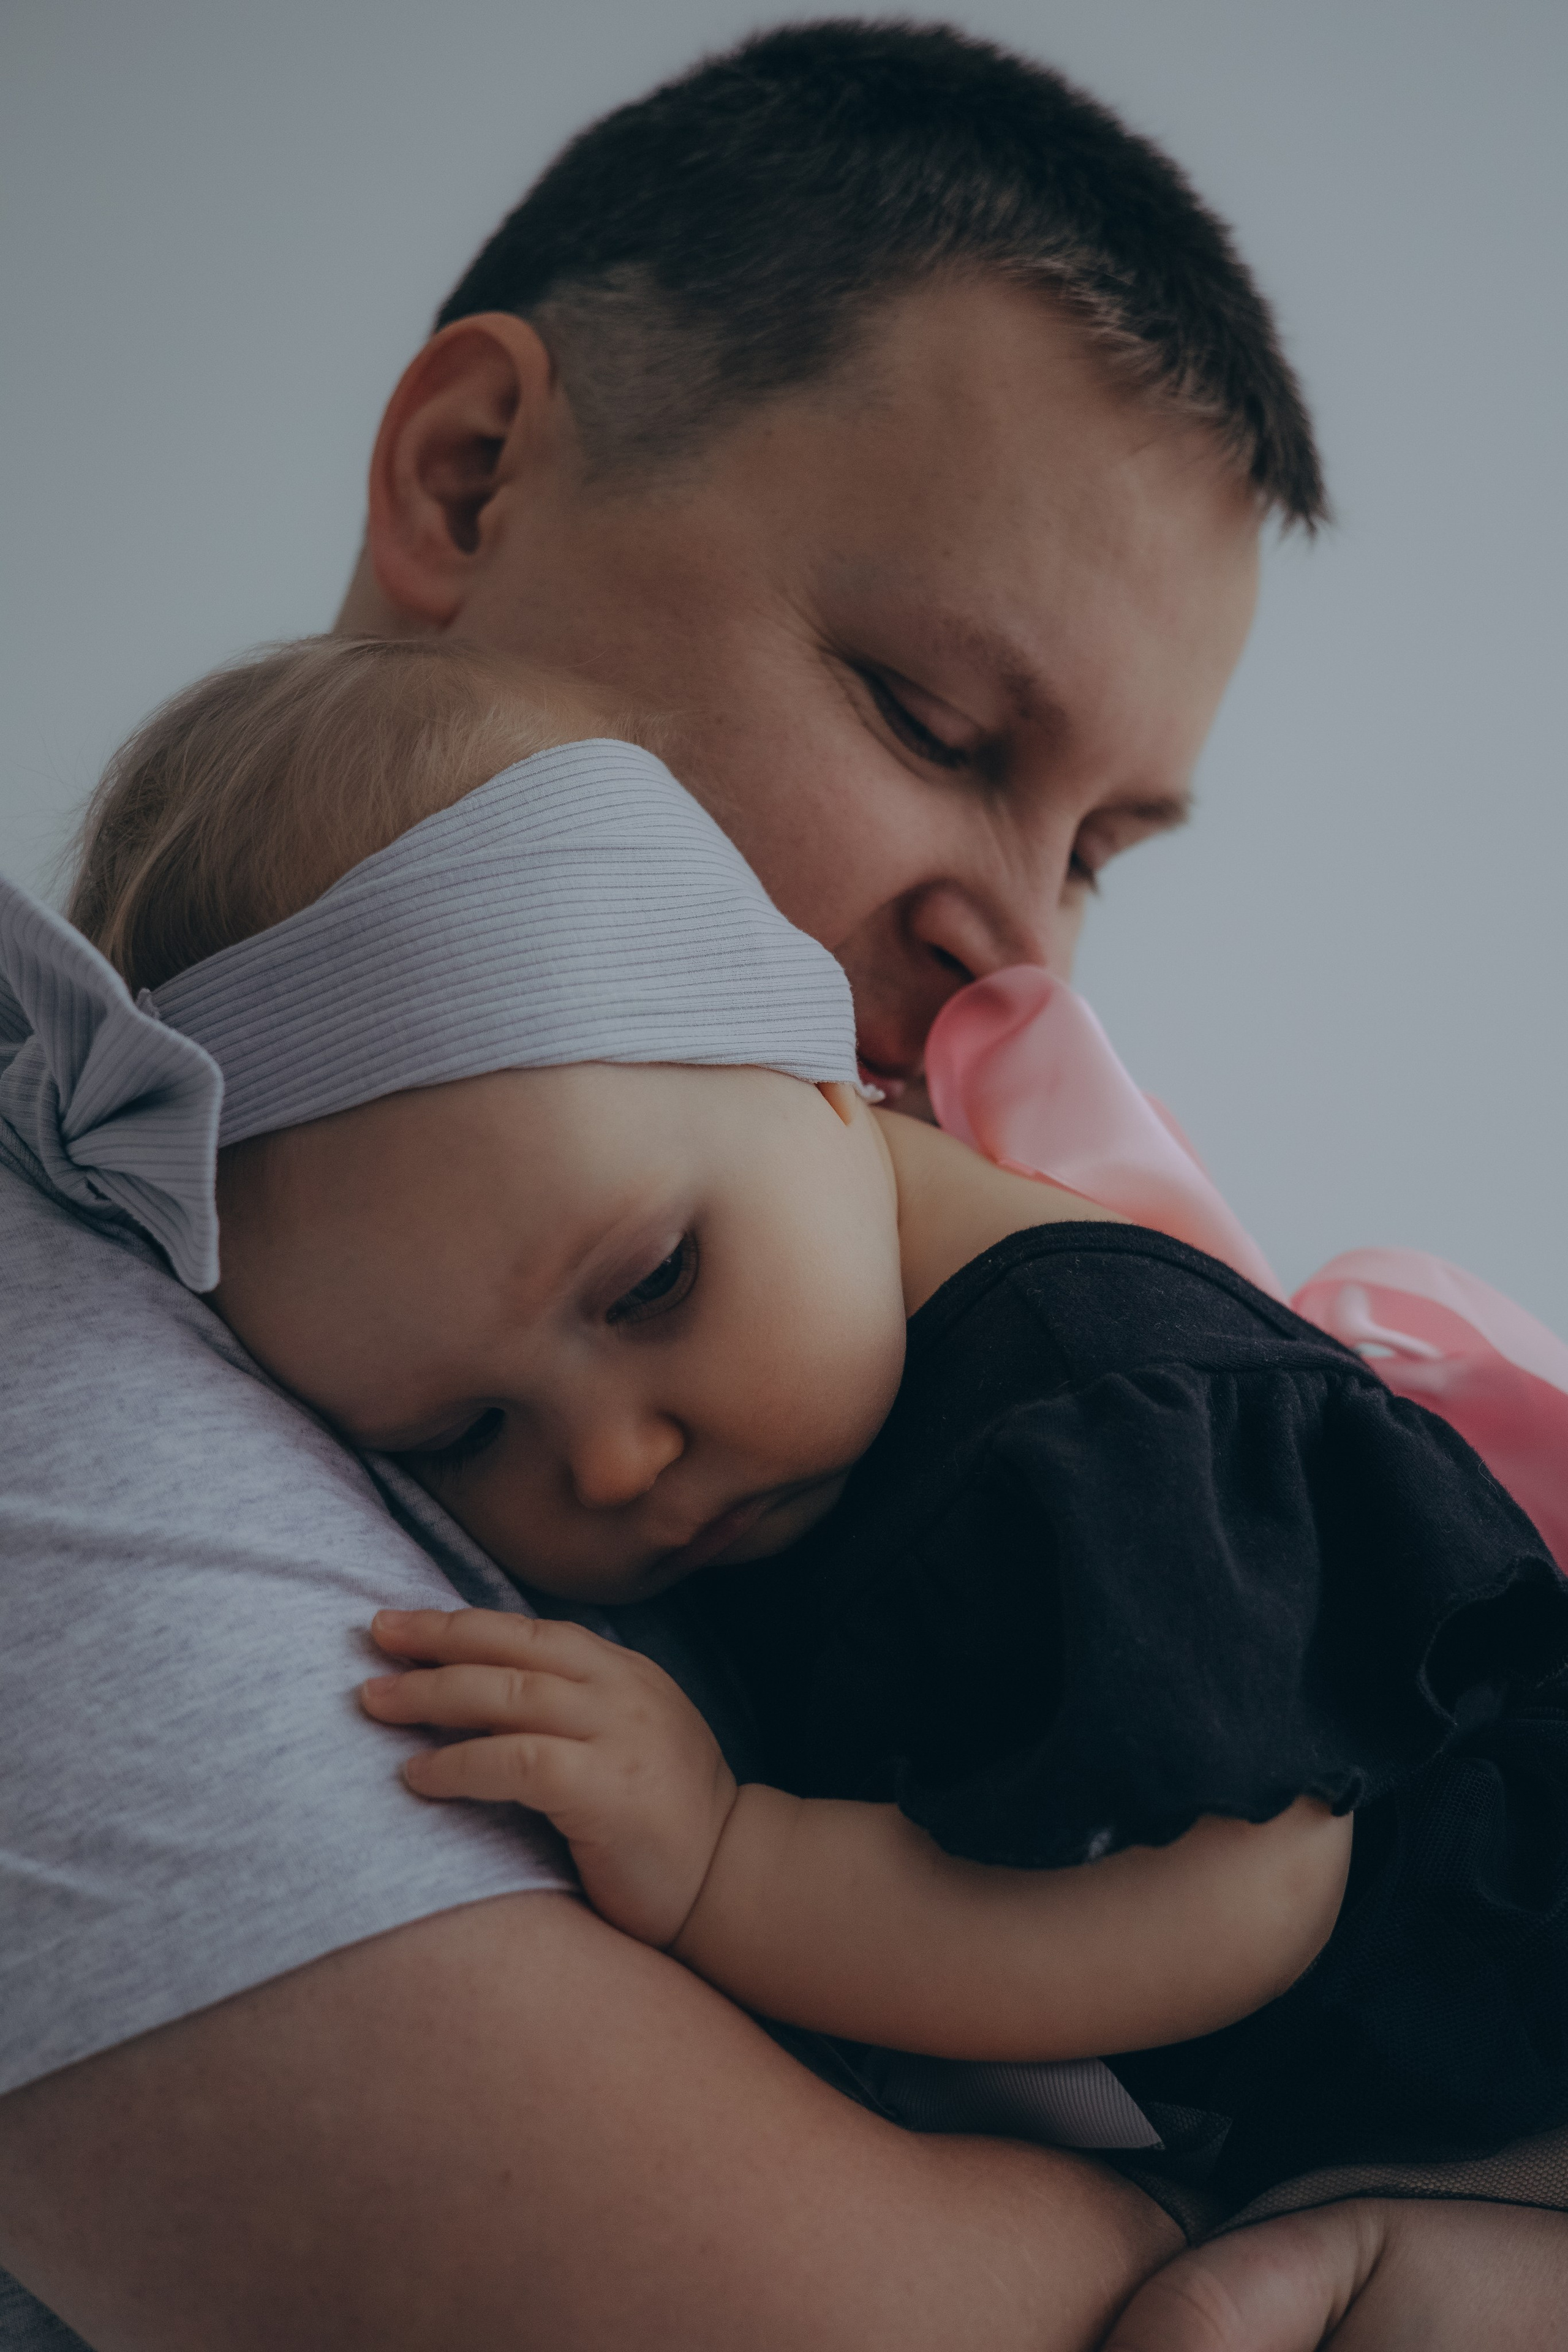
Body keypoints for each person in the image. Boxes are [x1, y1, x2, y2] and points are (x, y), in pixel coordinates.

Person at [2, 21, 1564, 2348]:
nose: (1017, 948)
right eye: (933, 725)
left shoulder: (1039, 1369)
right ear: (467, 470)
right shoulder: (85, 1364)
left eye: (1097, 851)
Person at [74, 629, 1563, 2211]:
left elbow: (1245, 1893)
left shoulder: (1098, 1407)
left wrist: (731, 1862)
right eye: (461, 1436)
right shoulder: (793, 1409)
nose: (609, 1460)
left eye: (653, 1284)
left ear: (824, 1071)